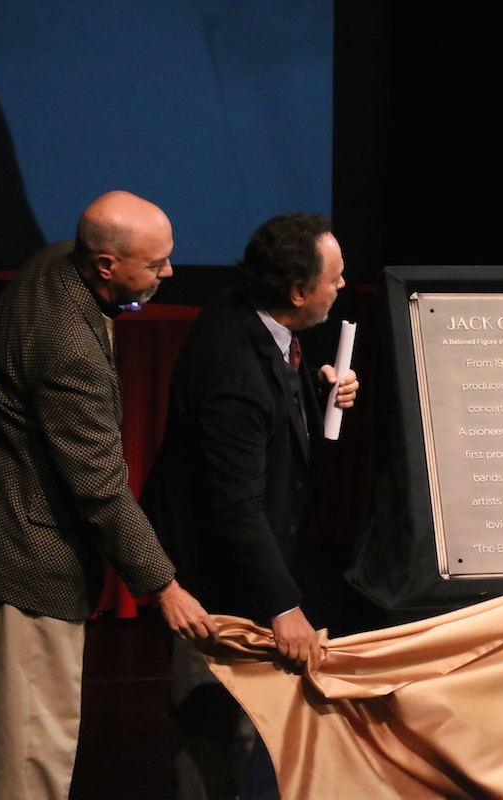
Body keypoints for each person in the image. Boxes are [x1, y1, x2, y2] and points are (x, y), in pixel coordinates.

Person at [0, 190, 217, 800]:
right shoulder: (68, 348)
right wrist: (163, 587)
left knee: (25, 739)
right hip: (27, 558)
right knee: (33, 749)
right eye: (155, 264)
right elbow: (101, 488)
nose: (169, 272)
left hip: (1, 522)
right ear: (106, 266)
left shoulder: (56, 259)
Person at [140, 212, 358, 799]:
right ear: (296, 291)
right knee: (208, 730)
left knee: (238, 732)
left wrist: (316, 391)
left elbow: (268, 410)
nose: (341, 285)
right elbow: (235, 505)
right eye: (333, 278)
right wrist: (283, 607)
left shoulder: (251, 317)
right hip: (211, 583)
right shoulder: (234, 368)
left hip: (239, 568)